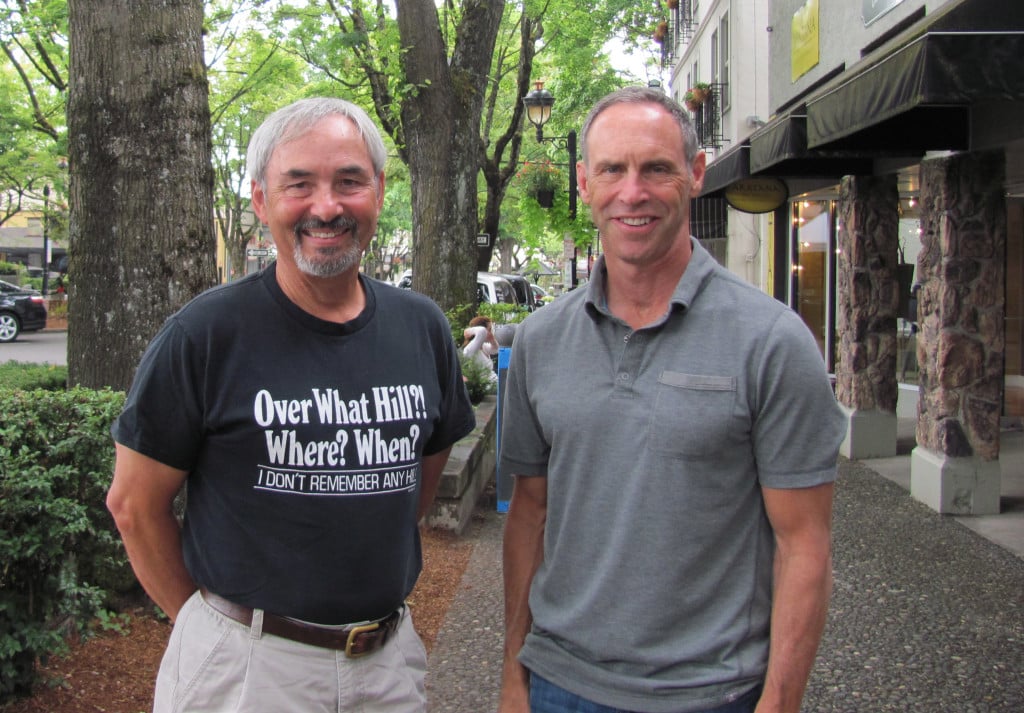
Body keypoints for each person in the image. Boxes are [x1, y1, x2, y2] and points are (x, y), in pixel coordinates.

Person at [106, 97, 476, 713]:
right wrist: (206, 628)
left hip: (387, 668)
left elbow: (414, 490)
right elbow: (133, 505)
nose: (326, 206)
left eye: (349, 181)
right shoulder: (204, 335)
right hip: (247, 674)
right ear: (261, 200)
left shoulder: (423, 329)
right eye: (298, 184)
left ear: (379, 192)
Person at [499, 86, 847, 713]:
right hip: (558, 685)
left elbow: (805, 543)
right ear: (584, 182)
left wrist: (780, 702)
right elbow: (529, 513)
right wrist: (511, 673)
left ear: (694, 172)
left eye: (656, 168)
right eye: (612, 169)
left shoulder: (770, 341)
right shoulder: (541, 341)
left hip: (713, 693)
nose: (632, 192)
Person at [462, 315, 499, 381]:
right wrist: (468, 331)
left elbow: (496, 349)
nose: (491, 333)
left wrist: (492, 339)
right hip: (486, 389)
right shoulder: (471, 349)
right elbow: (482, 331)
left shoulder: (483, 346)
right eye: (489, 329)